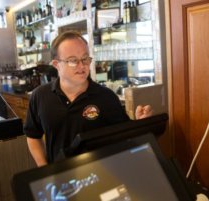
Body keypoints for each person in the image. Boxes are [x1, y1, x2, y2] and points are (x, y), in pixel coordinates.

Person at [24, 31, 152, 167]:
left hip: (100, 176)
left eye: (85, 59)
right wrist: (44, 168)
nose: (82, 66)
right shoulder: (40, 96)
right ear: (56, 64)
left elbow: (124, 138)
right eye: (73, 60)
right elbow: (33, 135)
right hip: (59, 176)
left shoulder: (106, 97)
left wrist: (140, 124)